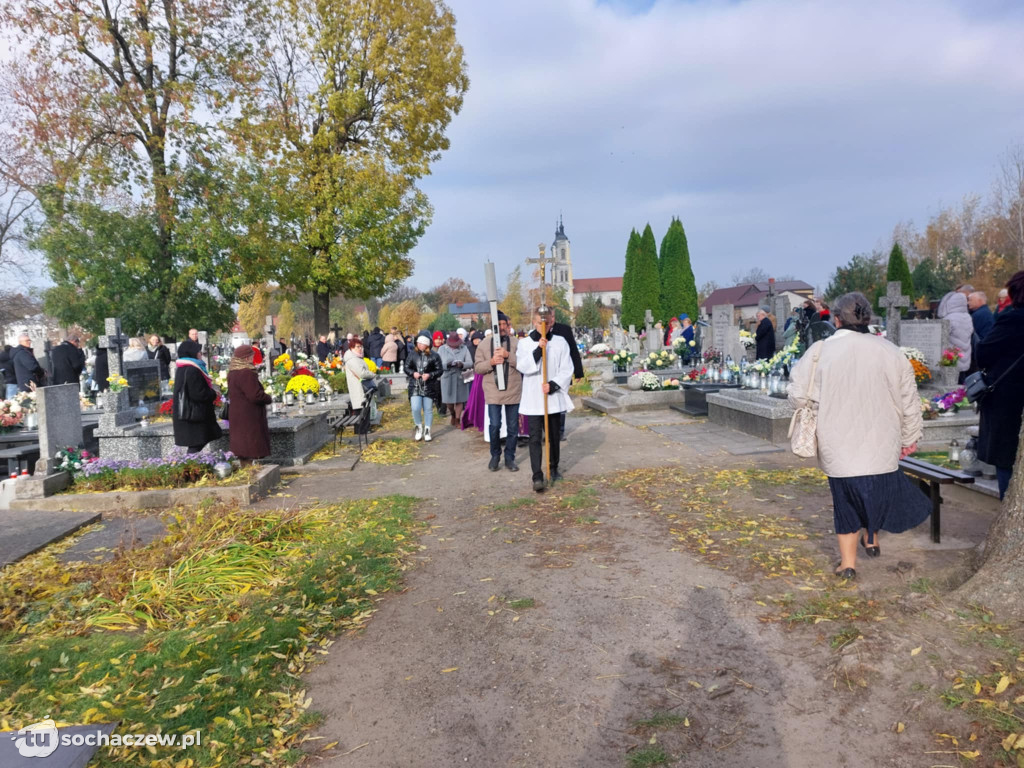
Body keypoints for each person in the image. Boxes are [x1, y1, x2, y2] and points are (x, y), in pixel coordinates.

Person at [788, 292, 929, 580]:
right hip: (883, 436)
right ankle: (872, 539)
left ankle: (848, 564)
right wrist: (910, 435)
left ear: (837, 319)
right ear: (867, 319)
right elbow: (909, 400)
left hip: (838, 438)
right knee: (876, 488)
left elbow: (798, 395)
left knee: (846, 499)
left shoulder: (820, 351)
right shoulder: (891, 351)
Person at [976, 271, 1024, 499]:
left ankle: (1008, 501)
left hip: (1009, 398)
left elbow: (984, 353)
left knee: (1006, 458)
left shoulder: (1013, 318)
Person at [517, 308, 575, 492]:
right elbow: (523, 366)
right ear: (534, 322)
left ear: (551, 322)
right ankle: (537, 476)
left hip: (552, 397)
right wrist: (538, 350)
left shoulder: (560, 342)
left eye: (548, 323)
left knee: (554, 435)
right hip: (534, 398)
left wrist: (553, 384)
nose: (545, 326)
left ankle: (553, 468)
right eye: (541, 323)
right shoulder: (525, 343)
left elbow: (567, 368)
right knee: (535, 437)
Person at [475, 311, 522, 471]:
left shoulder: (517, 343)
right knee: (495, 425)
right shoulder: (483, 344)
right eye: (499, 325)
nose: (502, 328)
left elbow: (524, 364)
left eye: (505, 324)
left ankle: (510, 458)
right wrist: (491, 362)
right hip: (493, 391)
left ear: (509, 326)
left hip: (513, 389)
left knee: (513, 427)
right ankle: (495, 455)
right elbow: (478, 368)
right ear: (493, 327)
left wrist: (508, 355)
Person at [171, 339, 222, 453]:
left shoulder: (184, 367)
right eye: (198, 351)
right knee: (196, 444)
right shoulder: (192, 369)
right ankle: (191, 466)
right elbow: (198, 394)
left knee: (197, 443)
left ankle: (193, 465)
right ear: (191, 353)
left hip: (191, 413)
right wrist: (213, 393)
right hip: (194, 414)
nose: (200, 353)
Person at [226, 345, 272, 463]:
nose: (253, 358)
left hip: (237, 412)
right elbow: (254, 395)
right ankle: (252, 472)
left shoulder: (233, 372)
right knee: (251, 443)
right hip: (248, 414)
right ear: (246, 358)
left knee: (243, 446)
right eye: (252, 355)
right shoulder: (246, 372)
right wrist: (268, 398)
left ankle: (246, 469)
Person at [406, 335, 442, 442]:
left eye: (422, 343)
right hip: (415, 385)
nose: (420, 345)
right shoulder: (412, 354)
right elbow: (406, 367)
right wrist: (413, 373)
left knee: (428, 409)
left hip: (429, 386)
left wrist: (430, 375)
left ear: (427, 344)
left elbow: (439, 370)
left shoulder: (434, 355)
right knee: (415, 407)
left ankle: (427, 430)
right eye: (418, 343)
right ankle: (418, 427)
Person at [438, 331, 473, 427]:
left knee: (459, 400)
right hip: (447, 377)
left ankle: (458, 419)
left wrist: (462, 364)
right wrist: (447, 365)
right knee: (448, 401)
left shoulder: (464, 348)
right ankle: (453, 414)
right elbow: (438, 364)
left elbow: (470, 362)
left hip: (460, 376)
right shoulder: (442, 349)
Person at [937, 290, 973, 380]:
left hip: (952, 359)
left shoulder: (949, 318)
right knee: (962, 384)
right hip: (965, 357)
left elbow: (941, 337)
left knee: (952, 386)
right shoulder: (968, 317)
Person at [344, 336, 376, 413]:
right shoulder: (352, 359)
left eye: (361, 346)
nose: (360, 348)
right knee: (361, 414)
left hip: (362, 389)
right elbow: (362, 373)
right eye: (357, 347)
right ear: (352, 348)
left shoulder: (357, 357)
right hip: (359, 389)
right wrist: (372, 374)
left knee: (364, 413)